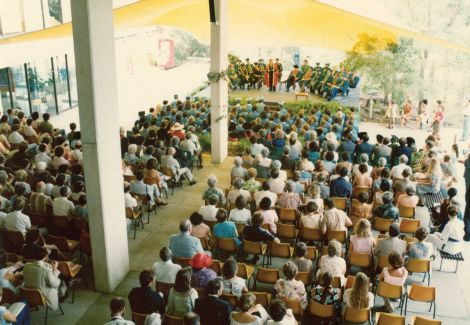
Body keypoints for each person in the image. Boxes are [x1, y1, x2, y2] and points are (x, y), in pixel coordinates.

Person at [23, 247, 64, 311]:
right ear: (45, 256)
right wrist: (54, 269)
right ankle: (62, 296)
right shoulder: (46, 270)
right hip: (42, 297)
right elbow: (55, 284)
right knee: (62, 283)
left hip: (30, 295)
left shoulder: (26, 266)